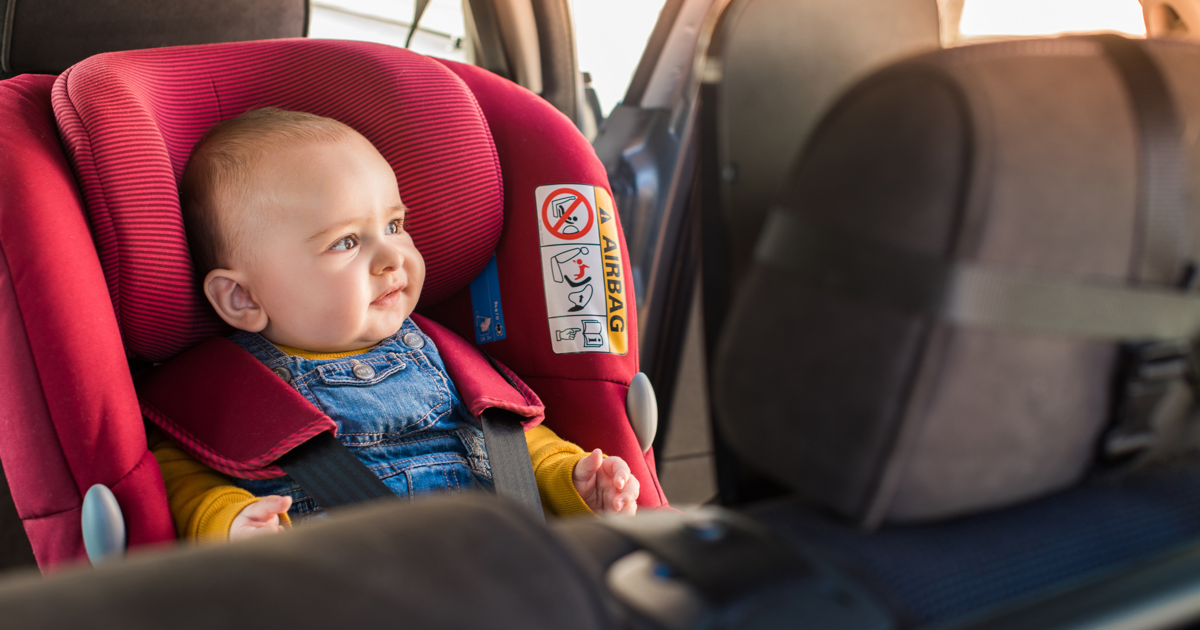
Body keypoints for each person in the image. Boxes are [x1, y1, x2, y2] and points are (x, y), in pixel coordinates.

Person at [151, 108, 640, 542]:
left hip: (500, 577)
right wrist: (233, 522)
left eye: (393, 225)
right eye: (344, 242)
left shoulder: (446, 357)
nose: (391, 257)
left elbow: (516, 444)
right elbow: (183, 480)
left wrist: (573, 479)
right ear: (242, 297)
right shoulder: (224, 393)